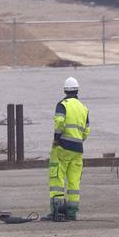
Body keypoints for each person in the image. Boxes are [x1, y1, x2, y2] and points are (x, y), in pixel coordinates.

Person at [48, 76, 90, 221]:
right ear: (77, 90)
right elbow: (87, 130)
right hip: (77, 150)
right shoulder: (83, 108)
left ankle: (57, 211)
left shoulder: (62, 105)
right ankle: (72, 212)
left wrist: (56, 138)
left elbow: (59, 122)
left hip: (62, 147)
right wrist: (78, 140)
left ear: (65, 90)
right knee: (74, 182)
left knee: (57, 178)